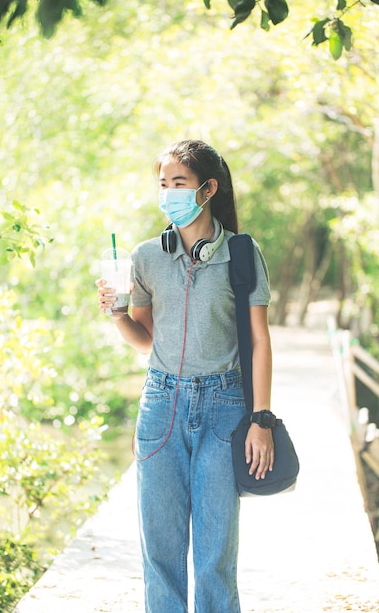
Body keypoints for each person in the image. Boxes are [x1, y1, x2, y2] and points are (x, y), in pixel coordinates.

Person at [97, 140, 275, 613]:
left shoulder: (242, 253)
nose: (169, 193)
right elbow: (145, 338)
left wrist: (261, 418)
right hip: (161, 405)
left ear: (208, 188)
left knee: (216, 553)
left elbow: (258, 341)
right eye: (163, 184)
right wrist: (116, 315)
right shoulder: (146, 256)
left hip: (224, 405)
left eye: (179, 183)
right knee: (160, 551)